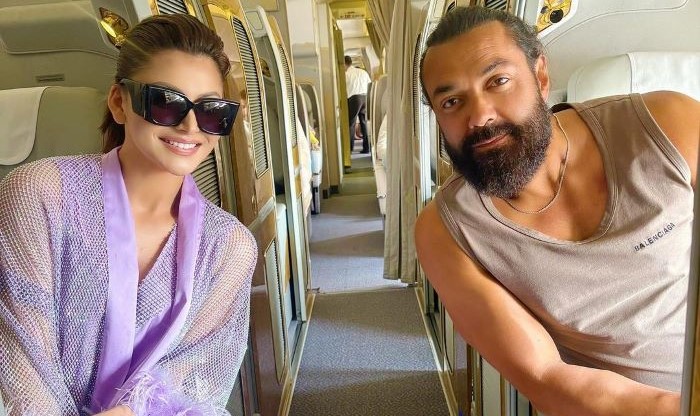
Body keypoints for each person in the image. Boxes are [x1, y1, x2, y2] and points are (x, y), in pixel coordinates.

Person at [415, 6, 699, 416]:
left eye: (498, 81)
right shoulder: (445, 233)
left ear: (541, 76)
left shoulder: (670, 125)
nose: (479, 116)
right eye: (452, 101)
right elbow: (546, 377)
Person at [0, 14, 257, 415]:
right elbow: (23, 363)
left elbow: (193, 377)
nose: (190, 126)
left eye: (211, 111)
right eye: (165, 103)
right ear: (120, 103)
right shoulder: (39, 194)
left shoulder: (230, 247)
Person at [344, 55, 372, 154]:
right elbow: (370, 84)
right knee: (363, 122)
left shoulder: (346, 74)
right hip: (365, 97)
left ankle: (349, 149)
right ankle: (367, 148)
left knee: (351, 124)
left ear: (344, 64)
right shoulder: (363, 72)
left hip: (354, 98)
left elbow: (344, 89)